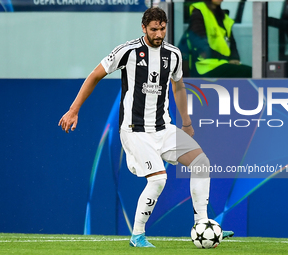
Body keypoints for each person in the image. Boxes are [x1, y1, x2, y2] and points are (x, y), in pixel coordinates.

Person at [58, 7, 233, 247]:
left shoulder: (173, 54)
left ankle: (202, 224)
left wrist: (187, 122)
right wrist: (74, 109)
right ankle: (137, 235)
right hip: (135, 131)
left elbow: (178, 87)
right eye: (154, 29)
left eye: (162, 28)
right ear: (143, 28)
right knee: (158, 179)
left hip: (164, 129)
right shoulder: (127, 51)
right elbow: (94, 75)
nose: (159, 33)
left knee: (201, 163)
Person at [182, 0, 252, 78]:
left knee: (253, 72)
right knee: (251, 73)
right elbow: (199, 43)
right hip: (205, 65)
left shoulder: (223, 16)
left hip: (221, 63)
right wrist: (228, 59)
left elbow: (231, 41)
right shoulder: (199, 11)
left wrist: (234, 58)